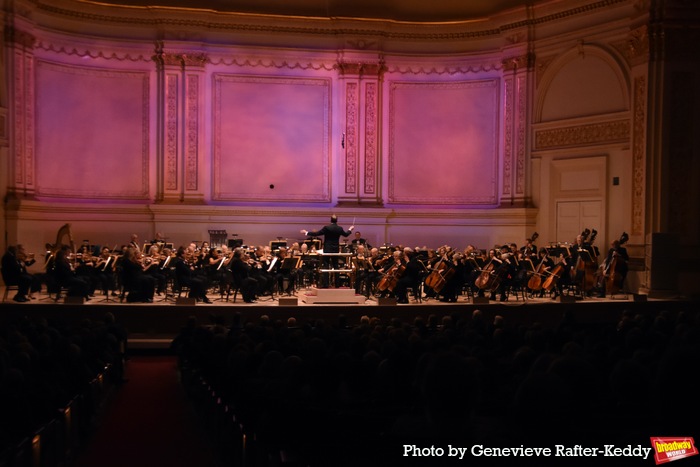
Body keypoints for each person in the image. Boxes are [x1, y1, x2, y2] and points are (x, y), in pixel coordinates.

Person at [301, 215, 354, 287]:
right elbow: (346, 235)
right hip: (335, 249)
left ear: (330, 220)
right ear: (337, 220)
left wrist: (306, 232)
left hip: (327, 249)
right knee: (336, 266)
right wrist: (350, 229)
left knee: (326, 266)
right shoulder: (339, 228)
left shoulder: (327, 228)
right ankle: (337, 284)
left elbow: (317, 233)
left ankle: (326, 284)